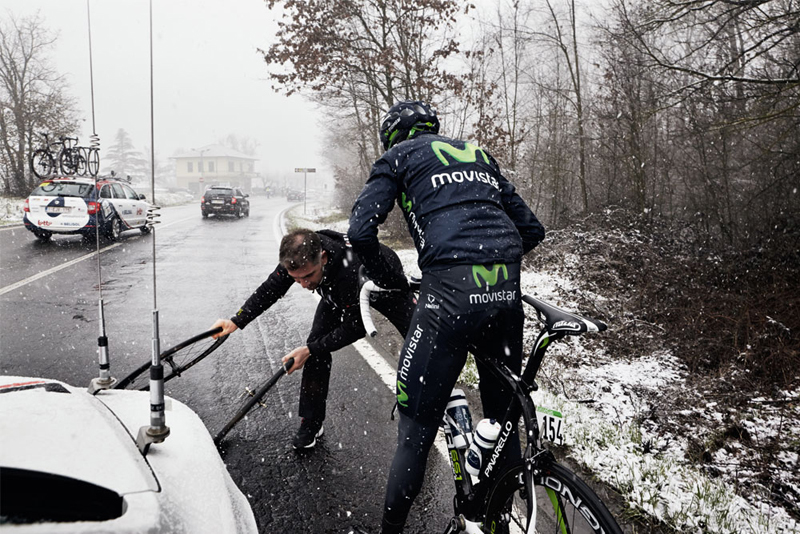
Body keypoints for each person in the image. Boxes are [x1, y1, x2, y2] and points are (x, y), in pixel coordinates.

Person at [348, 101, 545, 533]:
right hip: (504, 295)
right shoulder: (477, 154)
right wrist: (487, 264)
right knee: (501, 422)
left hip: (448, 301)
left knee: (415, 430)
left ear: (392, 136)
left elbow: (361, 232)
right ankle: (493, 519)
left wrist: (390, 277)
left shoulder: (398, 156)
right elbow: (532, 230)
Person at [210, 228, 416, 450]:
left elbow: (356, 327)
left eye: (308, 276)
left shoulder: (349, 271)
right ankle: (311, 422)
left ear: (324, 258)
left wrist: (308, 350)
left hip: (385, 285)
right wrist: (237, 320)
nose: (304, 285)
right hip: (337, 292)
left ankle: (428, 404)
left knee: (421, 345)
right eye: (296, 279)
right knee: (315, 346)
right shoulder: (298, 256)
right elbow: (270, 289)